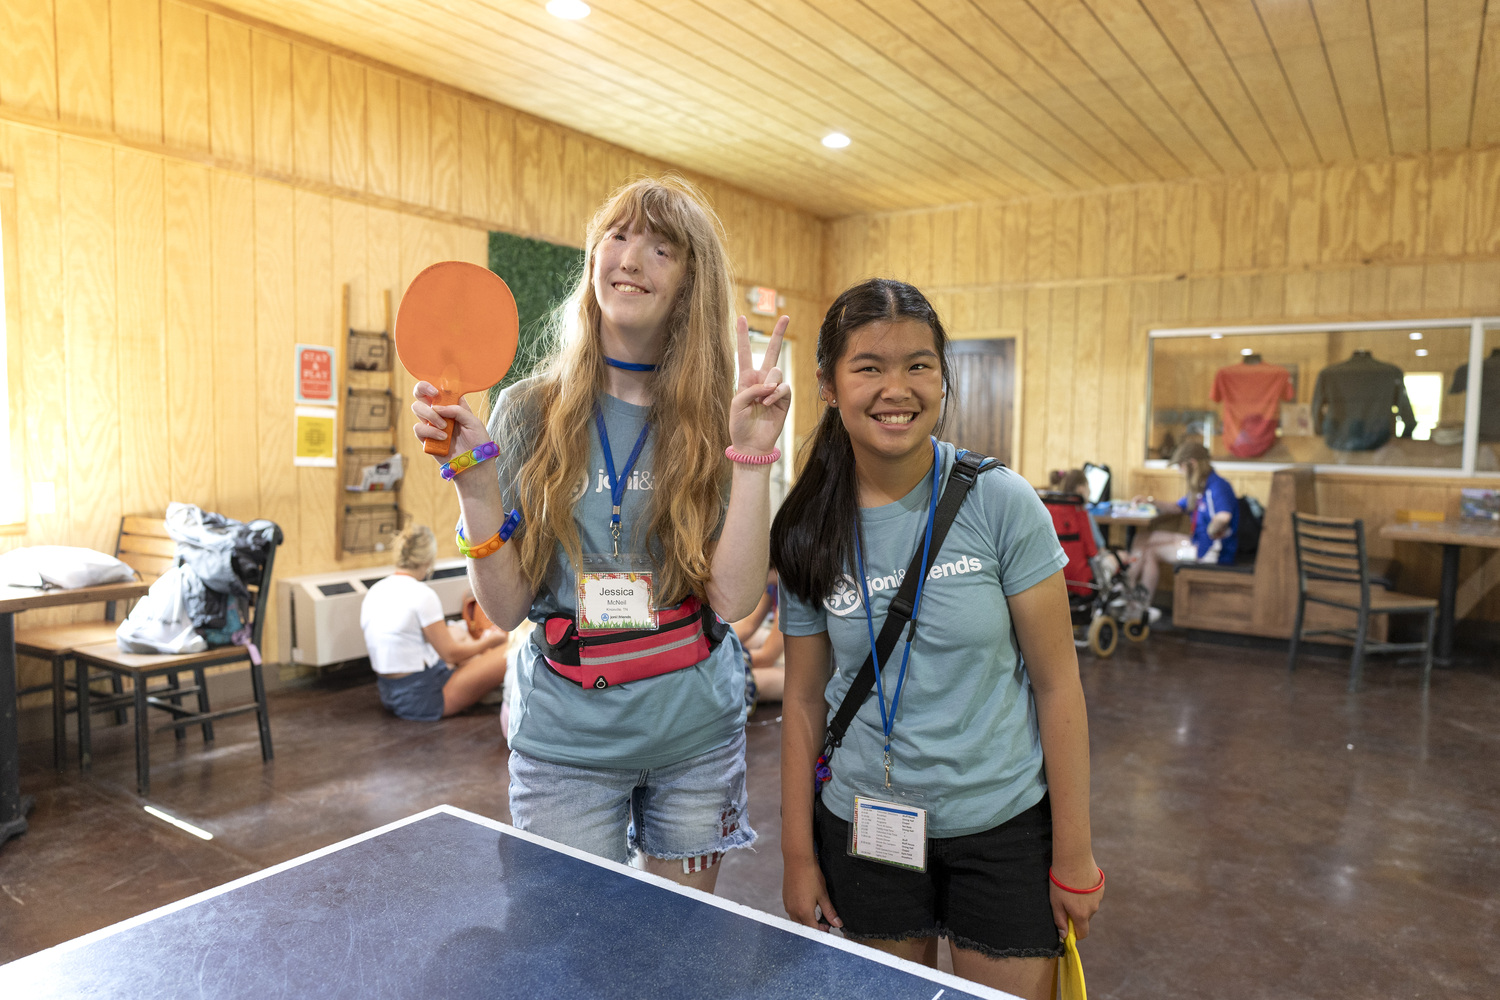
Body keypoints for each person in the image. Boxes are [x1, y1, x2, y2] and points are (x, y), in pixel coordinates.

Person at [409, 176, 791, 891]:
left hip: (695, 740)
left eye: (660, 246)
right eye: (616, 236)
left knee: (678, 952)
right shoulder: (528, 411)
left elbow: (735, 599)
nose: (630, 257)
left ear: (690, 282)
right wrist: (475, 484)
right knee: (565, 951)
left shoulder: (719, 415)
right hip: (566, 747)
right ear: (593, 262)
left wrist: (753, 452)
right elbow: (506, 609)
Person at [771, 278, 1102, 1000]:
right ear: (828, 385)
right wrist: (798, 853)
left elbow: (1057, 684)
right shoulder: (807, 526)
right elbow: (800, 702)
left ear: (943, 379)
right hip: (864, 825)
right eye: (870, 366)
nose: (898, 388)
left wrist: (1073, 851)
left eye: (919, 365)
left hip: (1002, 828)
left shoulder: (1001, 502)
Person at [359, 525, 510, 721]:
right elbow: (449, 653)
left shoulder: (375, 590)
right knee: (510, 649)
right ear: (429, 561)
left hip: (390, 692)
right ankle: (491, 683)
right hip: (423, 696)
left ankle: (482, 682)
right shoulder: (422, 594)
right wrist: (490, 642)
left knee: (456, 630)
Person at [1124, 440, 1238, 603]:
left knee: (1150, 552)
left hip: (1209, 553)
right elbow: (1178, 507)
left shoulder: (1218, 487)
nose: (1179, 470)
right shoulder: (1200, 486)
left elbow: (1224, 516)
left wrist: (1214, 527)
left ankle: (1137, 603)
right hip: (1197, 541)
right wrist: (1150, 501)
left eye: (1181, 466)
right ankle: (1128, 589)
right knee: (1142, 538)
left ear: (1192, 464)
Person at [733, 569, 785, 706]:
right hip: (783, 649)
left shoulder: (792, 589)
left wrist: (723, 660)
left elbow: (767, 657)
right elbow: (747, 625)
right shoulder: (771, 580)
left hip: (800, 668)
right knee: (731, 635)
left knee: (731, 683)